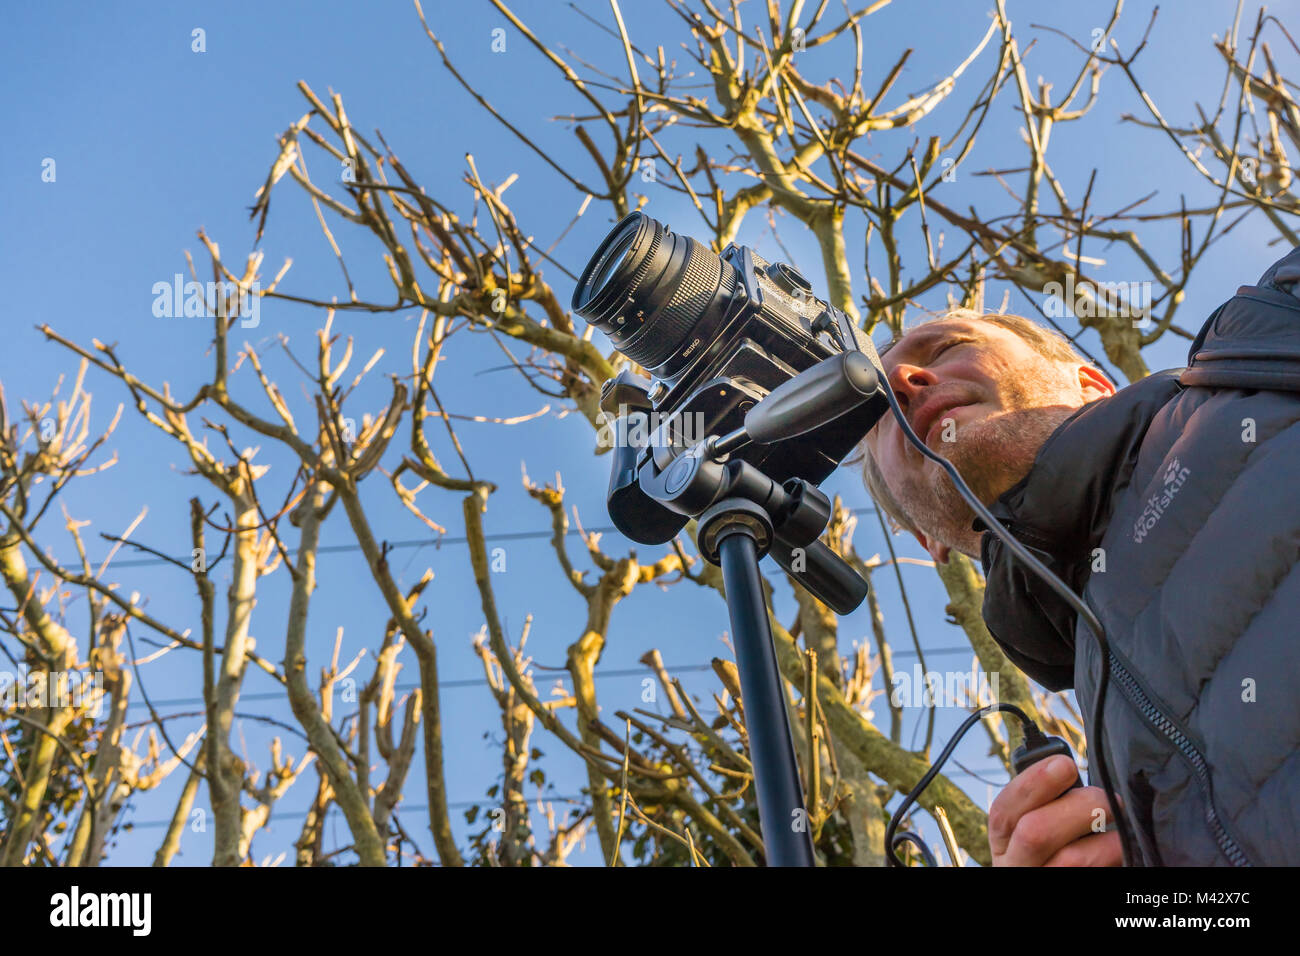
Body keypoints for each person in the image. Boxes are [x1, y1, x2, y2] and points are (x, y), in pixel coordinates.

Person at [858, 249, 1300, 866]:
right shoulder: (1103, 770)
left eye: (943, 349)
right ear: (926, 539)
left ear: (1089, 382)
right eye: (880, 412)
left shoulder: (1271, 336)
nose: (904, 382)